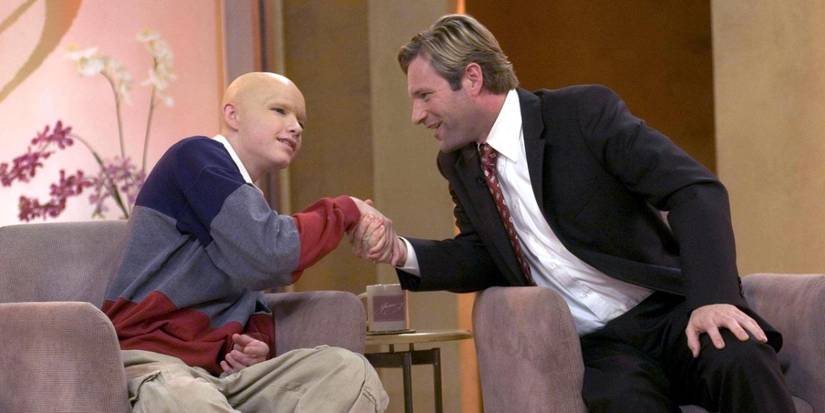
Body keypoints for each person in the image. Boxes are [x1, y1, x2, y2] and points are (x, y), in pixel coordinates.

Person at [351, 14, 794, 412]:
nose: (416, 115)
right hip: (602, 348)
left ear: (471, 78)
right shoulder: (460, 165)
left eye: (424, 95)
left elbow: (693, 189)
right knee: (622, 402)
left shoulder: (580, 115)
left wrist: (713, 298)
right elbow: (483, 255)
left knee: (741, 356)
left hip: (668, 313)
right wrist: (399, 251)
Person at [103, 72, 389, 413]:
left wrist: (256, 344)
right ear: (233, 115)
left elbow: (251, 291)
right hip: (156, 362)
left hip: (219, 377)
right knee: (191, 400)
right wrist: (347, 209)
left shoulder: (251, 202)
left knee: (350, 373)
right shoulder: (195, 158)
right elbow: (270, 254)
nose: (295, 127)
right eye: (280, 110)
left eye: (301, 121)